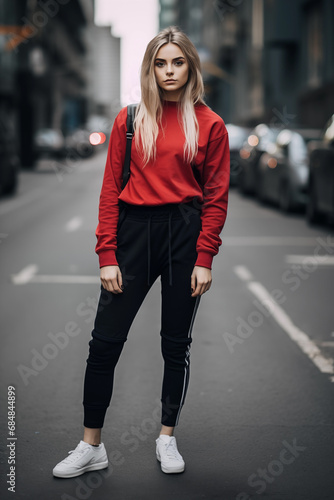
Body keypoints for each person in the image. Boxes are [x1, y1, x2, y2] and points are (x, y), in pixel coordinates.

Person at [53, 25, 230, 479]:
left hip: (183, 236)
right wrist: (107, 253)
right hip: (133, 234)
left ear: (189, 67)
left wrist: (204, 258)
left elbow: (216, 196)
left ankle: (167, 437)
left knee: (176, 345)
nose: (169, 71)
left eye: (177, 62)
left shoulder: (209, 124)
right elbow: (111, 189)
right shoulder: (130, 120)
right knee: (104, 344)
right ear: (150, 68)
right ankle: (91, 445)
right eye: (160, 62)